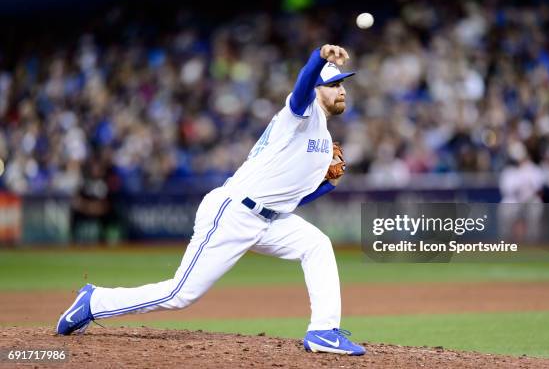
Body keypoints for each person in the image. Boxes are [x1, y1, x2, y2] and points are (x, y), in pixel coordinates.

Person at [56, 44, 366, 356]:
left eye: (342, 84)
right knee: (180, 294)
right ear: (317, 90)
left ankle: (323, 331)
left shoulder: (325, 142)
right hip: (233, 211)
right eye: (333, 84)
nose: (341, 91)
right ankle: (94, 301)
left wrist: (328, 186)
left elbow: (290, 198)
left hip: (271, 219)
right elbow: (302, 86)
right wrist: (319, 58)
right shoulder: (301, 113)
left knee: (316, 244)